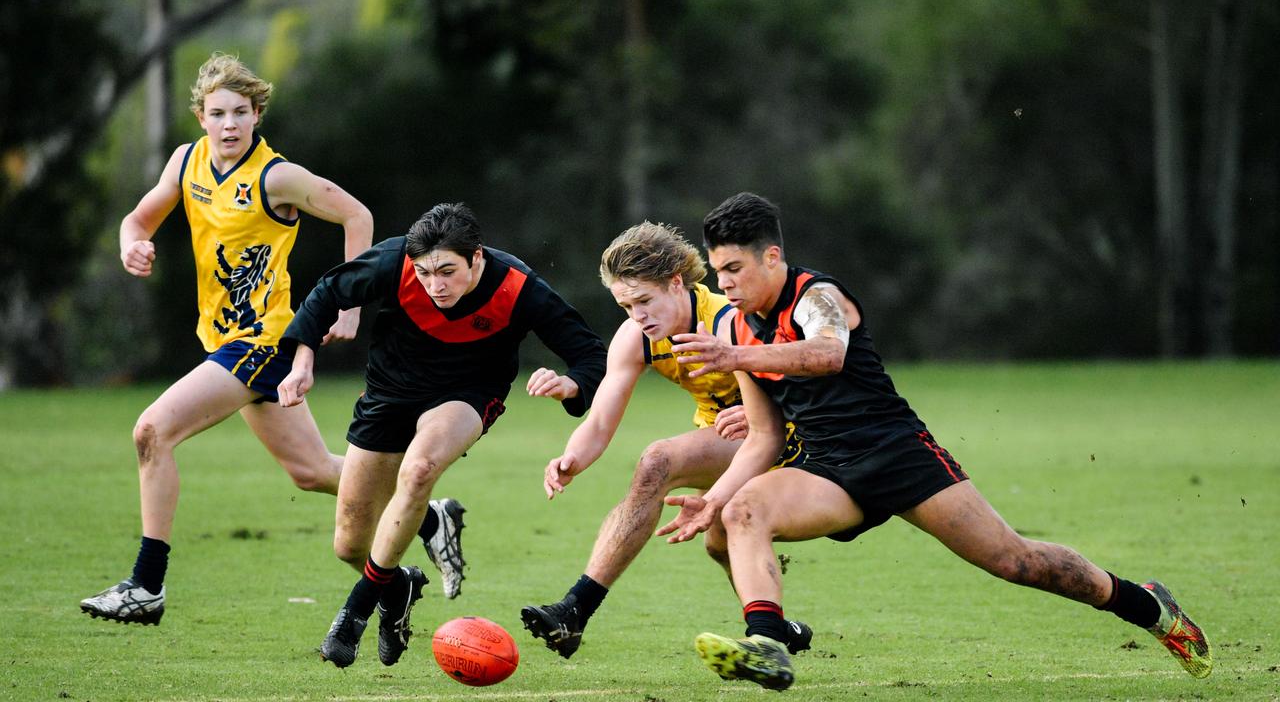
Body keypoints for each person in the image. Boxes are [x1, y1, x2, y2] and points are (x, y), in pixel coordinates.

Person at [657, 192, 1213, 690]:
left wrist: (737, 357)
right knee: (743, 510)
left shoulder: (816, 295)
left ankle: (1148, 607)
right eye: (718, 271)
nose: (724, 283)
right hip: (826, 467)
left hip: (896, 453)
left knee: (1016, 561)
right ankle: (768, 646)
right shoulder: (734, 326)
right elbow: (764, 436)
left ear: (771, 258)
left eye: (735, 269)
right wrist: (714, 497)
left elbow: (828, 354)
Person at [79, 52, 392, 626]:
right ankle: (428, 512)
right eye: (218, 113)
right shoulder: (186, 162)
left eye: (241, 113)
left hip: (264, 340)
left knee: (152, 431)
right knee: (314, 472)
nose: (230, 124)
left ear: (256, 116)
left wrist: (349, 300)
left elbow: (358, 216)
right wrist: (131, 243)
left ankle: (146, 587)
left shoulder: (278, 177)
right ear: (200, 116)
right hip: (222, 340)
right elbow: (138, 219)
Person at [277, 202, 607, 668]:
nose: (436, 286)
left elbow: (590, 354)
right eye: (426, 273)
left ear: (477, 258)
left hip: (466, 394)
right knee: (350, 544)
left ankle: (356, 610)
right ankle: (399, 590)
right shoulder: (394, 262)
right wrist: (303, 363)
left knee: (419, 469)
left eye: (448, 272)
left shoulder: (519, 287)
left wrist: (570, 384)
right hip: (389, 392)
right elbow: (328, 291)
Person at [520, 222, 811, 660]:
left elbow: (809, 379)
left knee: (659, 459)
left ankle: (575, 609)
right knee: (718, 543)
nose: (637, 315)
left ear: (677, 283)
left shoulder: (731, 319)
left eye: (643, 301)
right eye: (625, 306)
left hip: (789, 438)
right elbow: (600, 419)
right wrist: (572, 458)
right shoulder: (636, 337)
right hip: (724, 440)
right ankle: (776, 631)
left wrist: (765, 411)